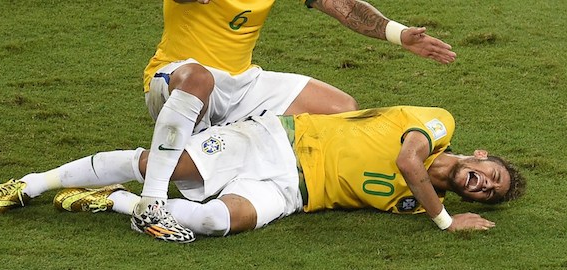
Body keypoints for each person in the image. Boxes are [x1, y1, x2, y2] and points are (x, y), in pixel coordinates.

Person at [136, 0, 458, 240]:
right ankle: (151, 201)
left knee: (341, 109)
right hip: (177, 77)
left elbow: (344, 6)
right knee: (199, 79)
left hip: (241, 81)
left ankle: (245, 164)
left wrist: (399, 34)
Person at [0, 106, 526, 243]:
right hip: (275, 140)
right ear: (477, 155)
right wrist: (447, 223)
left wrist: (436, 209)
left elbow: (412, 188)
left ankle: (111, 200)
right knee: (167, 164)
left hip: (292, 191)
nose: (483, 183)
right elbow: (410, 164)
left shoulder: (414, 203)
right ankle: (34, 182)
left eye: (490, 192)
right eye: (489, 173)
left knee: (219, 222)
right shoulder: (437, 126)